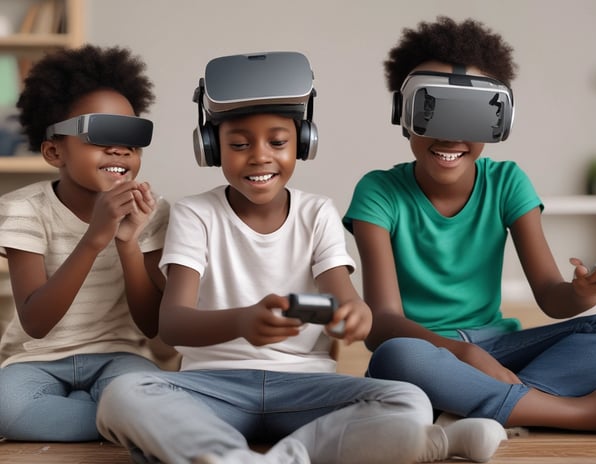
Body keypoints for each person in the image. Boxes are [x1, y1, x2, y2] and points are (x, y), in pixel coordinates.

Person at [95, 51, 505, 464]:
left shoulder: (317, 212)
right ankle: (432, 444)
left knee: (407, 398)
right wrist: (241, 320)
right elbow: (173, 324)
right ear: (211, 147)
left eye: (278, 142)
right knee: (123, 394)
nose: (259, 156)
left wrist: (355, 315)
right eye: (239, 144)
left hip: (306, 386)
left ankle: (255, 459)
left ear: (303, 142)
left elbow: (344, 299)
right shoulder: (194, 213)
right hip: (212, 385)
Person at [343, 16, 596, 432]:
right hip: (427, 350)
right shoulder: (378, 193)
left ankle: (472, 403)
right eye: (434, 111)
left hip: (501, 348)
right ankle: (571, 412)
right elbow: (381, 325)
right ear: (403, 112)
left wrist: (584, 293)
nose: (451, 137)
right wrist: (462, 356)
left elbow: (552, 299)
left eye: (470, 117)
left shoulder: (507, 183)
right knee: (395, 358)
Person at [0, 44, 170, 442]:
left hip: (121, 356)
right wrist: (95, 237)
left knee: (149, 393)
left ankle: (119, 416)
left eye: (132, 136)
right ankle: (119, 423)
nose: (119, 148)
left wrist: (127, 241)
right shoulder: (23, 209)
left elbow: (152, 325)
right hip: (36, 360)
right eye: (100, 133)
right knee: (5, 407)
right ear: (54, 150)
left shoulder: (152, 212)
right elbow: (36, 323)